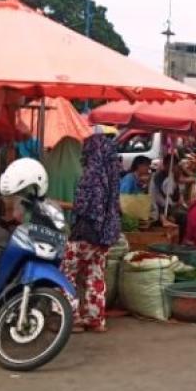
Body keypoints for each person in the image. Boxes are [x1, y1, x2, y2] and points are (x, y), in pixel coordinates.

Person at [64, 133, 121, 333]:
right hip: (105, 234)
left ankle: (71, 318)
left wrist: (61, 204)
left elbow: (84, 207)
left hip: (85, 232)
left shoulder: (91, 174)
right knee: (94, 276)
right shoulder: (113, 174)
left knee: (66, 273)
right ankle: (95, 319)